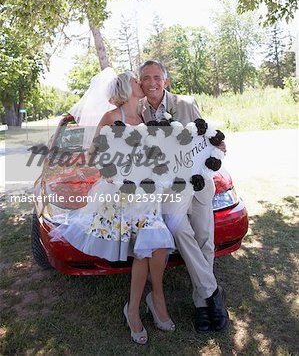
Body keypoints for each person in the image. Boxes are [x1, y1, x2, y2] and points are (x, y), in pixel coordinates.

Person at [50, 68, 176, 345]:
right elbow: (95, 155)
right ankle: (141, 307)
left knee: (156, 246)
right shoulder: (111, 118)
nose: (141, 83)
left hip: (147, 193)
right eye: (136, 80)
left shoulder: (144, 116)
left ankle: (148, 303)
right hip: (121, 196)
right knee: (146, 250)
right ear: (126, 87)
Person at [138, 60, 229, 332]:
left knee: (204, 240)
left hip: (199, 184)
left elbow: (205, 137)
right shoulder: (139, 110)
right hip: (171, 189)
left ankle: (202, 303)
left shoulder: (186, 104)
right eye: (146, 78)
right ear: (140, 82)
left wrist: (219, 146)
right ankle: (213, 294)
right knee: (181, 233)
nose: (152, 83)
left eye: (157, 77)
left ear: (165, 81)